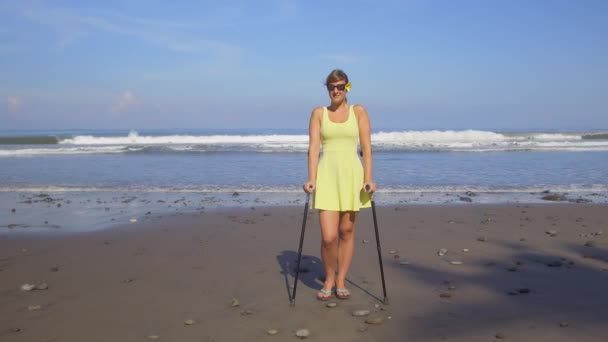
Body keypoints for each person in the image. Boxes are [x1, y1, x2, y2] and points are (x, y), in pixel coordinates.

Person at [303, 69, 377, 300]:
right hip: (327, 176)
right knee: (328, 237)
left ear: (347, 87)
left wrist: (368, 179)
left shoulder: (359, 111)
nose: (335, 90)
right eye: (331, 87)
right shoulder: (318, 113)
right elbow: (314, 148)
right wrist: (311, 179)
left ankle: (341, 279)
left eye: (340, 86)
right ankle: (329, 277)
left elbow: (366, 149)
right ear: (327, 89)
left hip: (352, 176)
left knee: (346, 231)